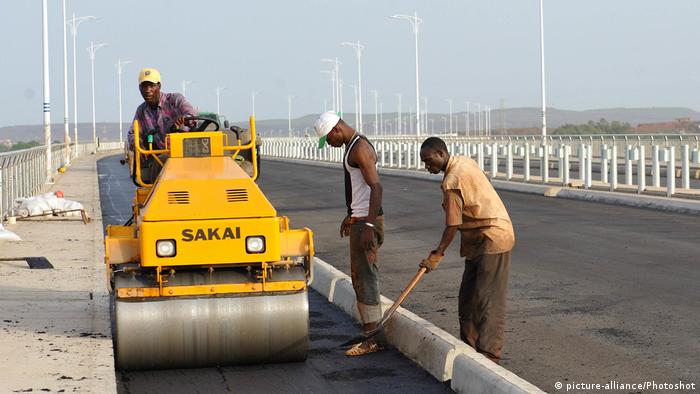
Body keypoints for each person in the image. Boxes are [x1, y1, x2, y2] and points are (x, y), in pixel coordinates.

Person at [418, 136, 515, 364]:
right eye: (424, 162)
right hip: (476, 241)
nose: (427, 166)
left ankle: (490, 355)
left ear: (441, 154)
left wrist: (438, 253)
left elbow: (452, 223)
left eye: (429, 161)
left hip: (493, 236)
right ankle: (471, 351)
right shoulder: (464, 162)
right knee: (468, 299)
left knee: (487, 299)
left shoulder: (451, 182)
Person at [314, 111, 385, 357]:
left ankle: (372, 339)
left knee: (365, 278)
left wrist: (368, 225)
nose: (330, 145)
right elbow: (360, 189)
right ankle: (371, 334)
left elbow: (376, 187)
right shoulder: (353, 145)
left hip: (366, 221)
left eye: (329, 140)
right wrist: (351, 213)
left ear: (336, 130)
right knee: (361, 277)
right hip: (360, 216)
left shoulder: (359, 149)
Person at [127, 68, 197, 182]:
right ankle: (159, 196)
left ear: (159, 86)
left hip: (185, 152)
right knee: (160, 161)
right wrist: (137, 142)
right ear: (140, 89)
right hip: (161, 154)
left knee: (164, 161)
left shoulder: (175, 100)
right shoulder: (141, 111)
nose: (148, 90)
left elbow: (192, 114)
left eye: (152, 86)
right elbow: (132, 133)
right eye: (144, 87)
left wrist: (185, 118)